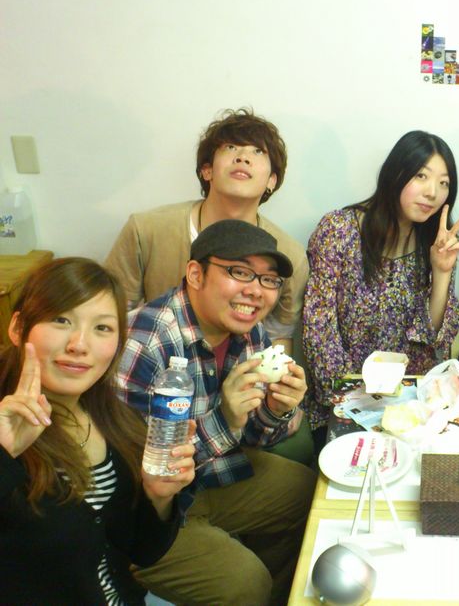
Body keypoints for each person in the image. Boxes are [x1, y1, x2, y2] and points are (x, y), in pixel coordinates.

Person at [117, 219, 316, 605]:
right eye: (240, 272)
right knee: (244, 582)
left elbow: (254, 436)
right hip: (146, 514)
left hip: (204, 480)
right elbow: (135, 477)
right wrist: (225, 419)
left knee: (305, 492)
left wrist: (275, 410)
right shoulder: (148, 342)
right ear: (196, 274)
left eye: (269, 280)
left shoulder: (249, 331)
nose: (255, 291)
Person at [105, 107, 313, 464]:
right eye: (231, 147)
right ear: (206, 170)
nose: (243, 156)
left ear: (272, 181)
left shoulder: (287, 258)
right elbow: (112, 322)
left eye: (258, 151)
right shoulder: (147, 231)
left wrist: (275, 399)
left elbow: (278, 337)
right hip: (159, 398)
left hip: (225, 401)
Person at [1, 258, 195, 605]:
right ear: (17, 328)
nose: (79, 344)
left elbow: (140, 551)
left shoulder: (114, 418)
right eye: (61, 320)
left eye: (102, 328)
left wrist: (158, 497)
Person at [302, 130, 459, 444]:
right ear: (395, 173)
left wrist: (441, 272)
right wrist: (350, 396)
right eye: (421, 176)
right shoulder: (339, 230)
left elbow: (434, 341)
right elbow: (319, 329)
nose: (432, 192)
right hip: (346, 400)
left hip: (411, 401)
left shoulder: (437, 242)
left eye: (444, 183)